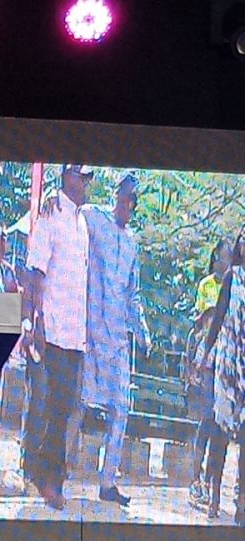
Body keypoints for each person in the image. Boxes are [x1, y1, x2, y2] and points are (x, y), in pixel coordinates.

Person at [68, 175, 152, 506]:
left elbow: (133, 295)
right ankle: (61, 472)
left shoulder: (132, 244)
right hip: (90, 334)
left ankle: (107, 482)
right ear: (117, 194)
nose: (129, 203)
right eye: (126, 195)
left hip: (117, 339)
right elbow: (71, 218)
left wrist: (142, 331)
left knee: (121, 409)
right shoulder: (93, 217)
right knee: (79, 402)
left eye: (134, 199)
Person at [20, 164, 92, 509]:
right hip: (52, 330)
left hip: (75, 334)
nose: (87, 183)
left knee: (64, 409)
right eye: (82, 176)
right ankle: (42, 476)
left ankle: (50, 477)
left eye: (90, 177)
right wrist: (34, 322)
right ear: (67, 177)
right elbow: (35, 272)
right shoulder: (51, 213)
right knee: (47, 407)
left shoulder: (83, 222)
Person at [198, 228, 245, 525]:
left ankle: (241, 502)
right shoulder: (232, 277)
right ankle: (213, 492)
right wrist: (204, 354)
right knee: (219, 428)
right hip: (227, 362)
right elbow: (217, 320)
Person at [184, 239, 232, 517]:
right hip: (207, 358)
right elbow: (201, 321)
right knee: (205, 421)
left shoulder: (236, 284)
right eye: (219, 258)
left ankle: (214, 485)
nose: (222, 262)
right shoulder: (207, 286)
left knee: (219, 425)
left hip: (227, 362)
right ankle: (196, 479)